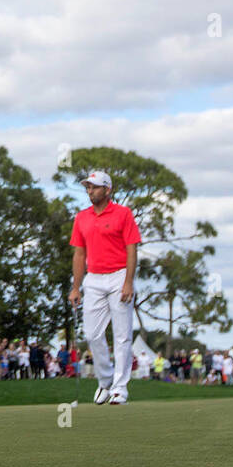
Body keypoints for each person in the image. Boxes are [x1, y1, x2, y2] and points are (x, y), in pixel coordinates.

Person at [68, 171, 142, 406]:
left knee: (122, 336)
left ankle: (120, 389)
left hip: (119, 275)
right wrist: (75, 287)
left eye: (95, 187)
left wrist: (128, 281)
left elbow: (132, 249)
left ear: (107, 190)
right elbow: (79, 254)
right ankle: (106, 380)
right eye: (88, 187)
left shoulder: (123, 213)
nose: (90, 191)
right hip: (94, 279)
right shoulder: (81, 218)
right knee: (92, 334)